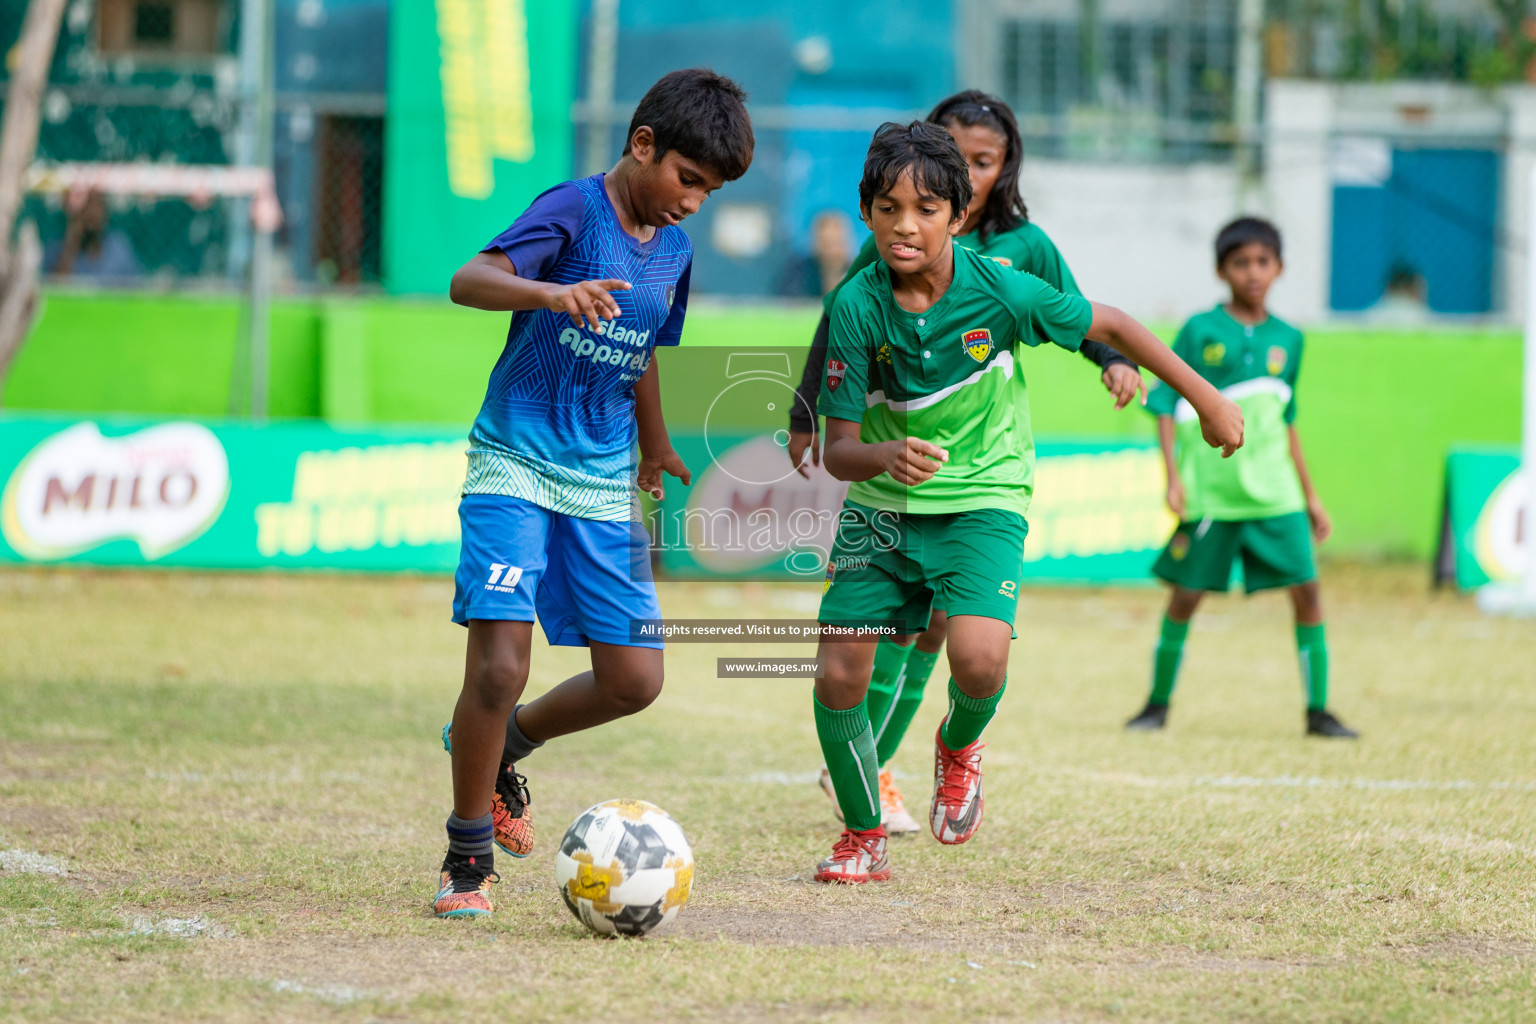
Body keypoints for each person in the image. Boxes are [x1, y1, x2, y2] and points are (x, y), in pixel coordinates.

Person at [810, 122, 1243, 883]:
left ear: (959, 214)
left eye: (925, 210)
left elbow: (1112, 324)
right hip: (880, 505)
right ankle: (862, 835)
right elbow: (838, 447)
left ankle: (958, 746)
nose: (904, 226)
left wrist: (1205, 400)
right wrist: (882, 455)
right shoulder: (855, 303)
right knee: (839, 672)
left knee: (977, 662)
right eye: (886, 208)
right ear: (866, 211)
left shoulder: (1000, 288)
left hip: (983, 496)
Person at [431, 69, 754, 917]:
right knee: (499, 666)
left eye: (710, 192)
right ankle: (469, 858)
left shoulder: (675, 253)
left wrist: (656, 444)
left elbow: (643, 348)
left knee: (634, 681)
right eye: (688, 179)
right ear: (642, 145)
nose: (693, 203)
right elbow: (469, 279)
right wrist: (549, 291)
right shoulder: (573, 210)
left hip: (606, 478)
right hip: (515, 461)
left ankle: (504, 751)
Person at [787, 91, 1145, 835]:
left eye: (984, 161)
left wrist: (1111, 361)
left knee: (953, 633)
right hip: (895, 482)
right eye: (960, 152)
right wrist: (804, 411)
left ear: (1001, 168)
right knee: (899, 635)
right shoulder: (886, 250)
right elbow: (840, 321)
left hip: (977, 471)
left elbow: (1081, 314)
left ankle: (925, 755)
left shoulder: (1022, 252)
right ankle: (871, 771)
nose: (970, 172)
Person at [1125, 218, 1358, 739]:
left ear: (1279, 268)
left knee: (1309, 593)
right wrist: (1173, 478)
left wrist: (1312, 497)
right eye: (1241, 263)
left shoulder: (1290, 340)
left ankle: (1318, 711)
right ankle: (1156, 705)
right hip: (1214, 494)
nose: (1253, 273)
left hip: (1277, 494)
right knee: (1185, 596)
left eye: (1263, 262)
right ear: (1221, 270)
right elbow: (1164, 402)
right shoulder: (1199, 330)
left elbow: (1287, 421)